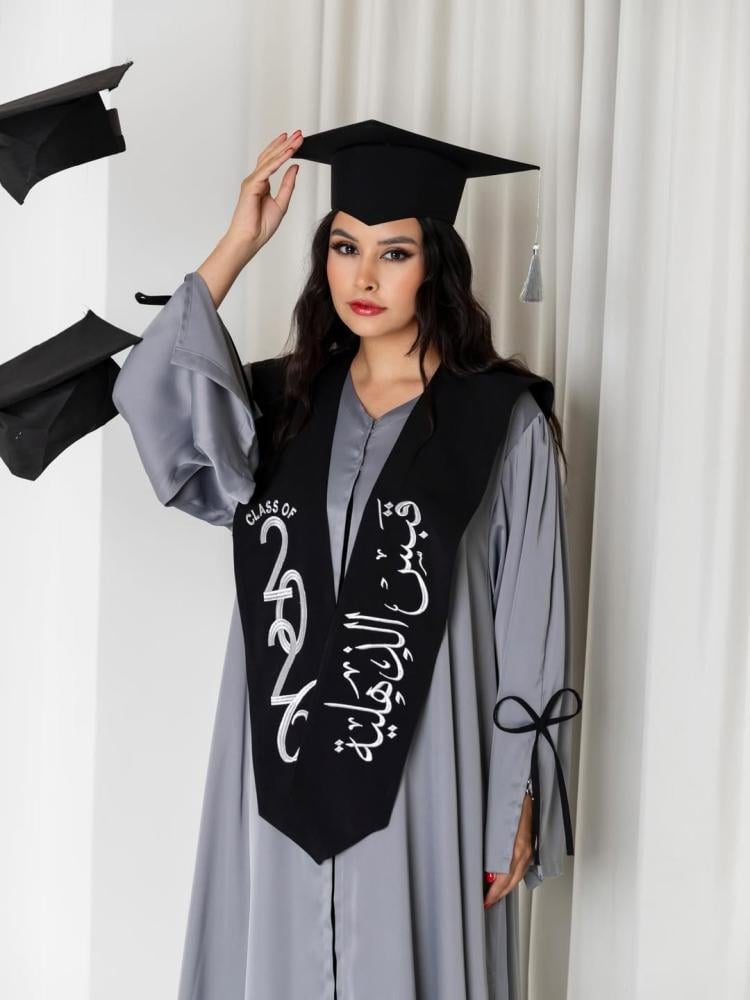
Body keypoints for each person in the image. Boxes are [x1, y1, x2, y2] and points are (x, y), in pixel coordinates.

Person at [113, 122, 581, 1000]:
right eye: (344, 247)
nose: (363, 278)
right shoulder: (280, 404)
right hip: (278, 759)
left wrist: (515, 798)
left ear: (435, 265)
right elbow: (153, 403)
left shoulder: (499, 421)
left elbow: (532, 625)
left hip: (423, 767)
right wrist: (238, 242)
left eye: (393, 253)